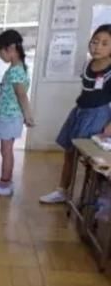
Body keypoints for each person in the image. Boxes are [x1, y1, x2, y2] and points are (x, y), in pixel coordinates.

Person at [40, 24, 111, 204]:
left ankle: (92, 199)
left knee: (92, 161)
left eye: (104, 43)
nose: (97, 47)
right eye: (95, 42)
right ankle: (63, 190)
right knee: (69, 153)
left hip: (98, 116)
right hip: (79, 112)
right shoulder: (88, 64)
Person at [0, 29, 35, 197]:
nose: (0, 56)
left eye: (1, 52)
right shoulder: (18, 68)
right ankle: (6, 182)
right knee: (6, 150)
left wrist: (28, 115)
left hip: (9, 117)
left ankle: (4, 184)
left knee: (6, 151)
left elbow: (22, 95)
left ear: (11, 49)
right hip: (9, 116)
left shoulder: (15, 71)